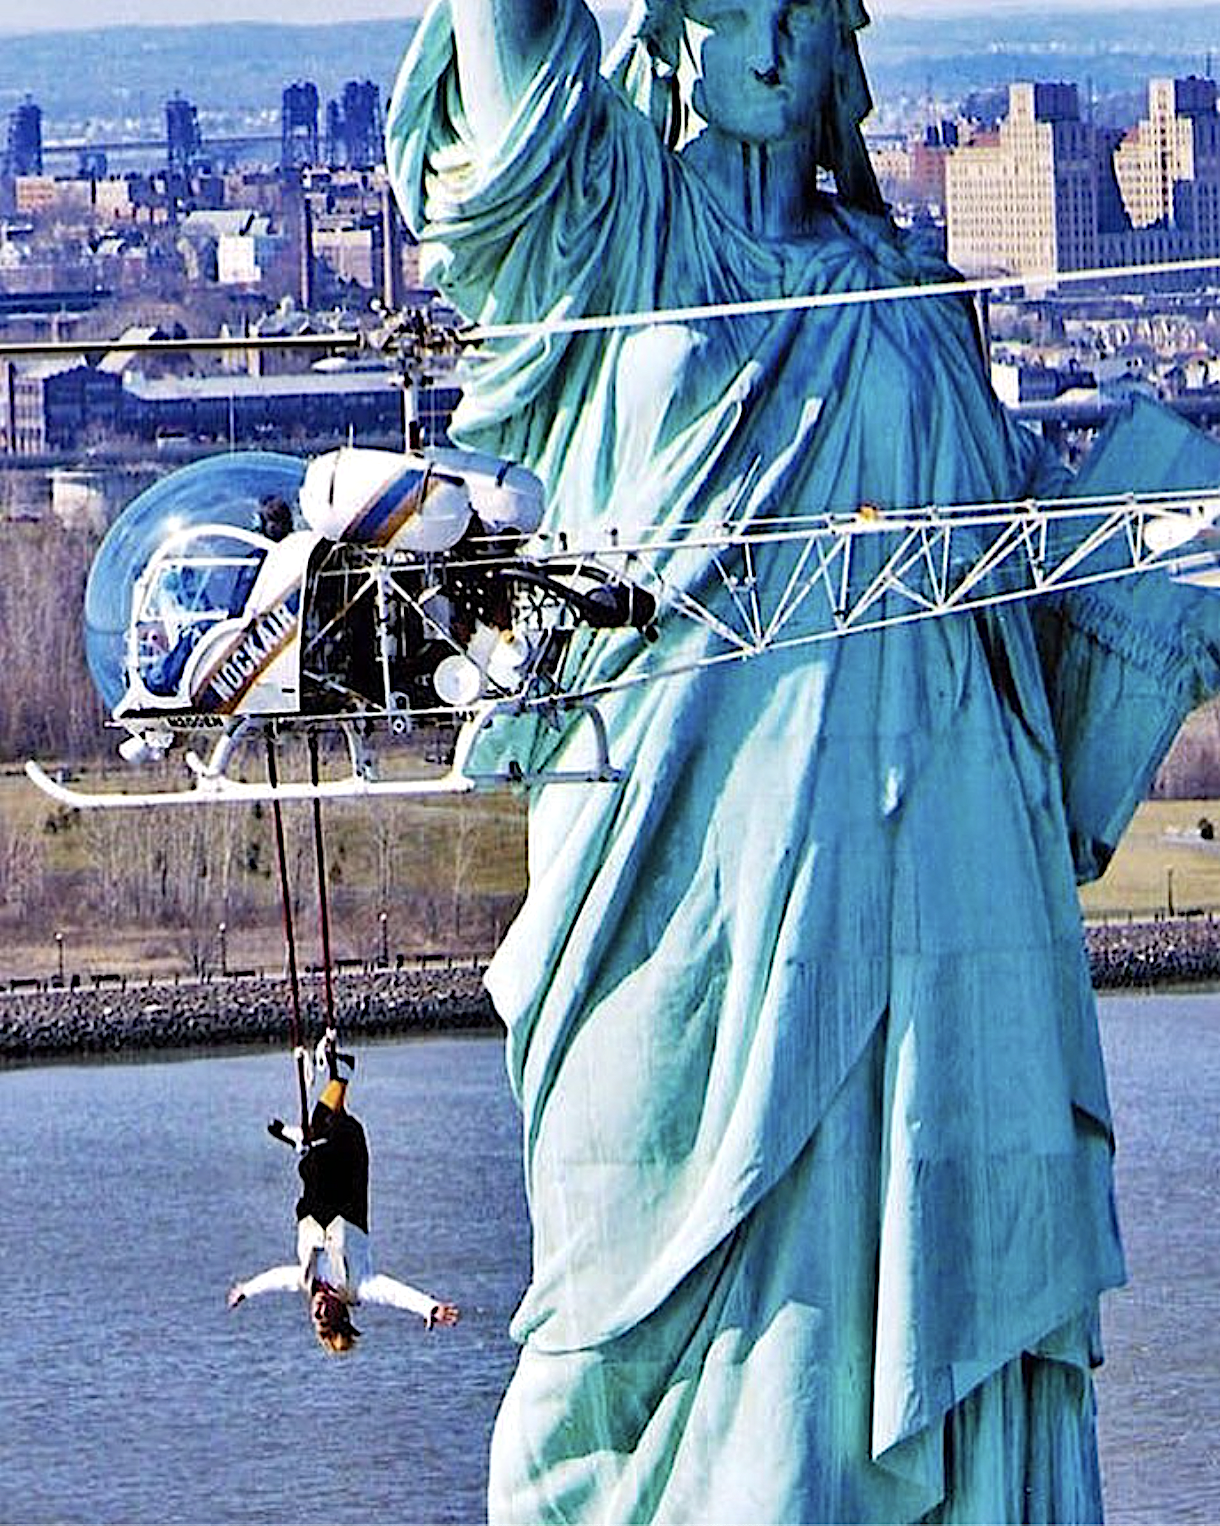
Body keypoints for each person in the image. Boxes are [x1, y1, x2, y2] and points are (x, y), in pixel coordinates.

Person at [387, 1, 1220, 1519]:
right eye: (728, 8)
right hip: (681, 902)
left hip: (949, 905)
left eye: (800, 8)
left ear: (844, 41)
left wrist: (1162, 555)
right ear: (663, 30)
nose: (767, 44)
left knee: (912, 1357)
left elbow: (1013, 587)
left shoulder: (912, 297)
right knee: (633, 1366)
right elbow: (511, 49)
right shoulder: (612, 233)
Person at [228, 1071, 459, 1354]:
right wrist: (429, 1308)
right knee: (329, 1123)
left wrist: (246, 1289)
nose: (319, 1312)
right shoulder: (358, 1285)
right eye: (328, 1317)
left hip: (316, 1179)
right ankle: (333, 1090)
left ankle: (307, 1133)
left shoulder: (305, 1279)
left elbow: (276, 1279)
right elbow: (392, 1293)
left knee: (319, 1135)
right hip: (347, 1174)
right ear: (343, 1313)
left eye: (317, 1319)